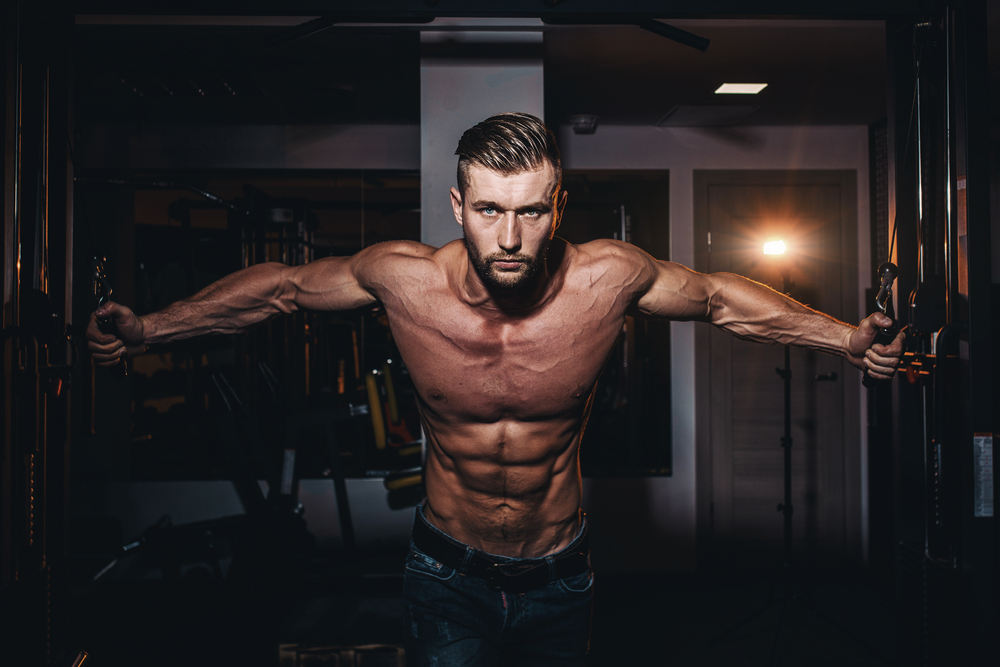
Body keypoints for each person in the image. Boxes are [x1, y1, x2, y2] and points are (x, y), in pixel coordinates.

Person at [87, 112, 904, 666]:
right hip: (445, 573)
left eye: (529, 212)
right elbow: (284, 289)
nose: (509, 238)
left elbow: (724, 298)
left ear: (557, 205)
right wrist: (153, 330)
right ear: (458, 204)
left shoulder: (608, 279)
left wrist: (845, 337)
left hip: (561, 573)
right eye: (487, 210)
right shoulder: (404, 280)